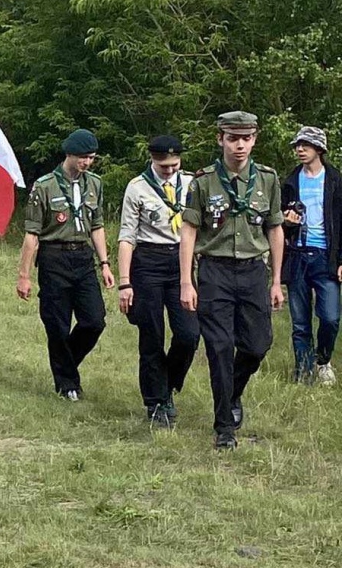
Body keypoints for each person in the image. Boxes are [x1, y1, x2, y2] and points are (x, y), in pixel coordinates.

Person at [180, 111, 284, 450]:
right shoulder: (203, 181)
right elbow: (189, 231)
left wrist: (276, 280)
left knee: (257, 345)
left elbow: (275, 228)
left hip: (253, 271)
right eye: (233, 138)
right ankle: (224, 425)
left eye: (246, 138)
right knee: (220, 348)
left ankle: (233, 392)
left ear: (254, 140)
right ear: (220, 139)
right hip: (215, 272)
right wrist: (186, 281)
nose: (239, 145)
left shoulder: (267, 179)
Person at [17, 129, 115, 400]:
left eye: (92, 158)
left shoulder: (94, 183)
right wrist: (24, 275)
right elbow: (32, 234)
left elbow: (97, 225)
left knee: (94, 321)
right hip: (54, 257)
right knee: (57, 324)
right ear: (69, 154)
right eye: (83, 157)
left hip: (82, 257)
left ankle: (64, 363)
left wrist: (105, 263)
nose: (87, 163)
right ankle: (67, 384)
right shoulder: (45, 186)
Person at [117, 135, 200, 427]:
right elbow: (127, 236)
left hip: (181, 262)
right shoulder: (137, 187)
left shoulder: (191, 184)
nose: (170, 171)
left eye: (175, 165)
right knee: (151, 334)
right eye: (164, 166)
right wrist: (125, 282)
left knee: (189, 334)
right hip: (148, 263)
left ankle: (168, 384)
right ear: (152, 159)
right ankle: (155, 401)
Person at [280, 126, 342, 386]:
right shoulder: (290, 181)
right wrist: (287, 222)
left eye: (305, 145)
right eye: (297, 145)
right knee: (300, 322)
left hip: (326, 257)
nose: (300, 149)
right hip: (297, 255)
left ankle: (323, 360)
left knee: (330, 317)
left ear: (319, 148)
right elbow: (278, 222)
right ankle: (304, 373)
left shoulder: (336, 180)